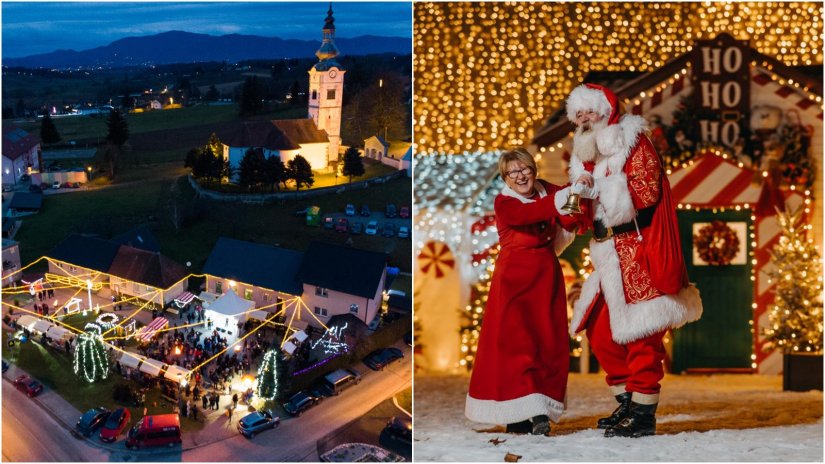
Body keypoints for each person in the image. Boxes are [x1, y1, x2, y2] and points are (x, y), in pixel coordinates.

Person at [564, 83, 703, 438]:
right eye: (577, 115)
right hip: (605, 253)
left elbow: (646, 191)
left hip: (637, 251)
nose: (583, 120)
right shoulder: (582, 157)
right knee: (599, 330)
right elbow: (582, 216)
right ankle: (627, 400)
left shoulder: (632, 142)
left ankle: (643, 414)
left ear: (606, 112)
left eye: (588, 113)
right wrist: (575, 200)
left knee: (642, 334)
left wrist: (599, 191)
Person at [465, 148, 583, 436]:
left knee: (546, 341)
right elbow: (529, 214)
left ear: (533, 168)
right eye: (512, 172)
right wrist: (567, 196)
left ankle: (539, 409)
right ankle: (519, 413)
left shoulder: (547, 192)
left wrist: (579, 190)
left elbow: (571, 217)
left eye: (524, 169)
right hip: (513, 282)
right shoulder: (505, 202)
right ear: (505, 178)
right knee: (516, 346)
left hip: (545, 277)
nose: (520, 176)